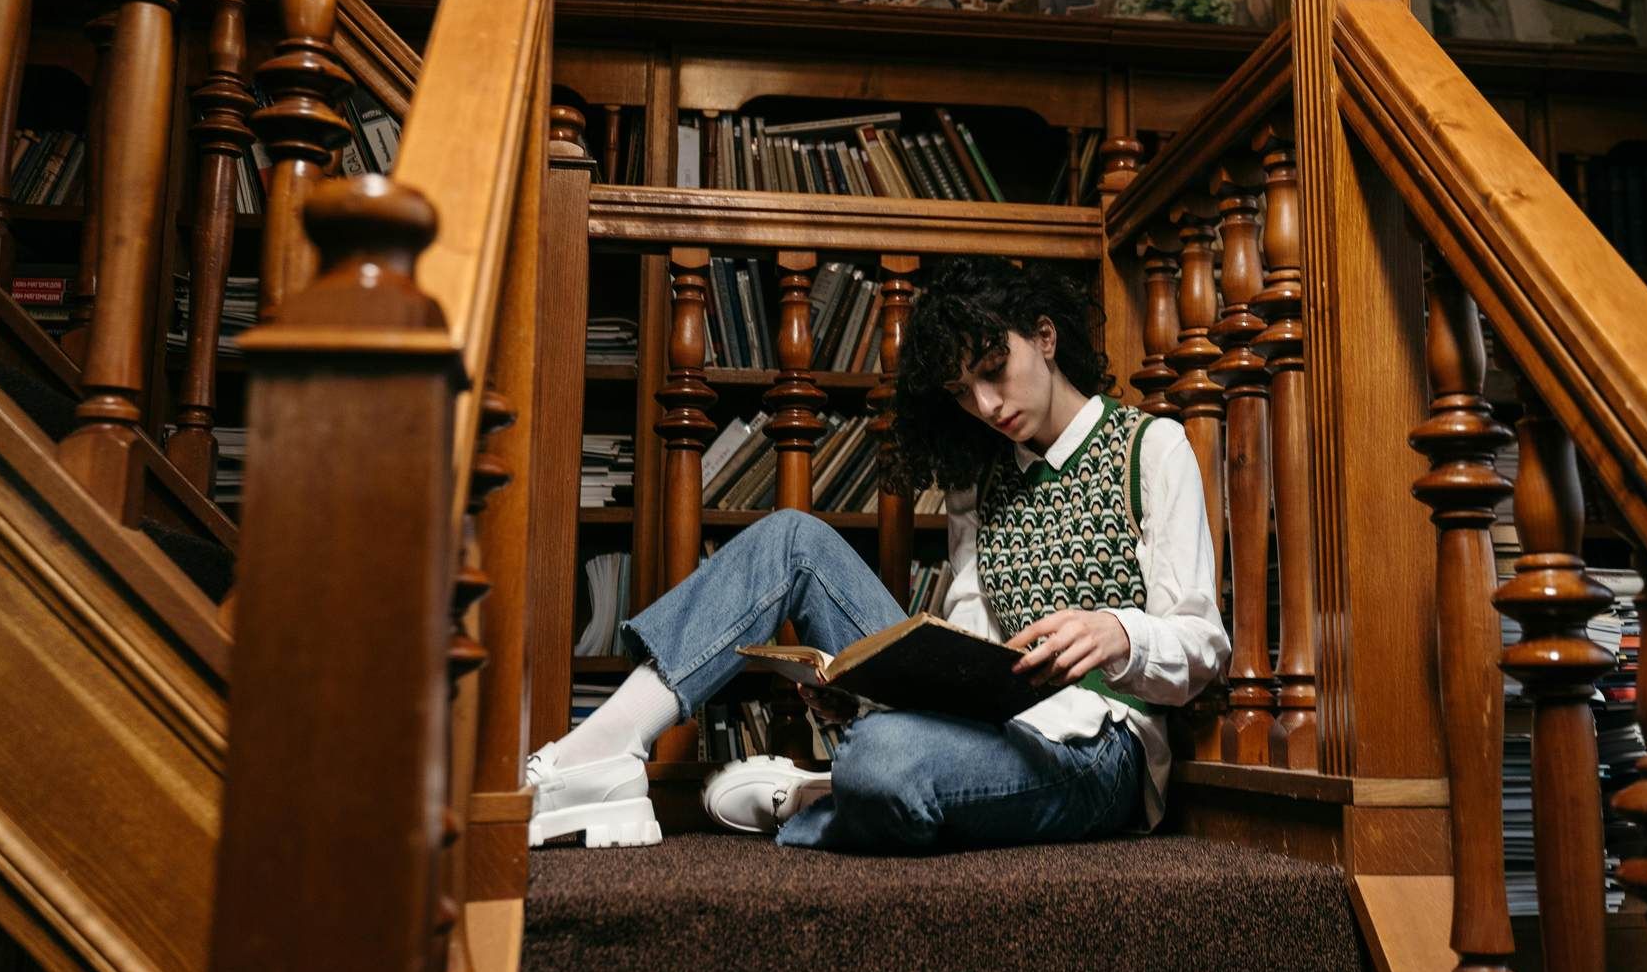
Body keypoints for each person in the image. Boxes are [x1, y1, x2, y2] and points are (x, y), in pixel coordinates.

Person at [522, 256, 1227, 850]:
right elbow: (972, 646)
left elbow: (1203, 643)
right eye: (962, 390)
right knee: (792, 538)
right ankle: (604, 751)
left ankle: (810, 797)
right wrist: (865, 681)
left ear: (1044, 337)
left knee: (884, 761)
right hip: (991, 723)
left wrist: (1118, 632)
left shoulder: (1149, 447)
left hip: (1098, 747)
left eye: (994, 369)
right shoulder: (979, 482)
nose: (985, 404)